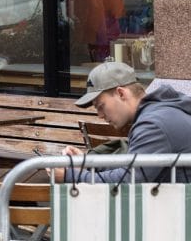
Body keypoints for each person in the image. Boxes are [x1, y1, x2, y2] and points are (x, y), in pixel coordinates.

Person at [54, 61, 191, 183]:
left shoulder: (153, 125)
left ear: (121, 94)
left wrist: (70, 176)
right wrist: (87, 162)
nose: (100, 115)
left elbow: (128, 180)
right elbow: (133, 165)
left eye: (101, 106)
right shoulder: (159, 112)